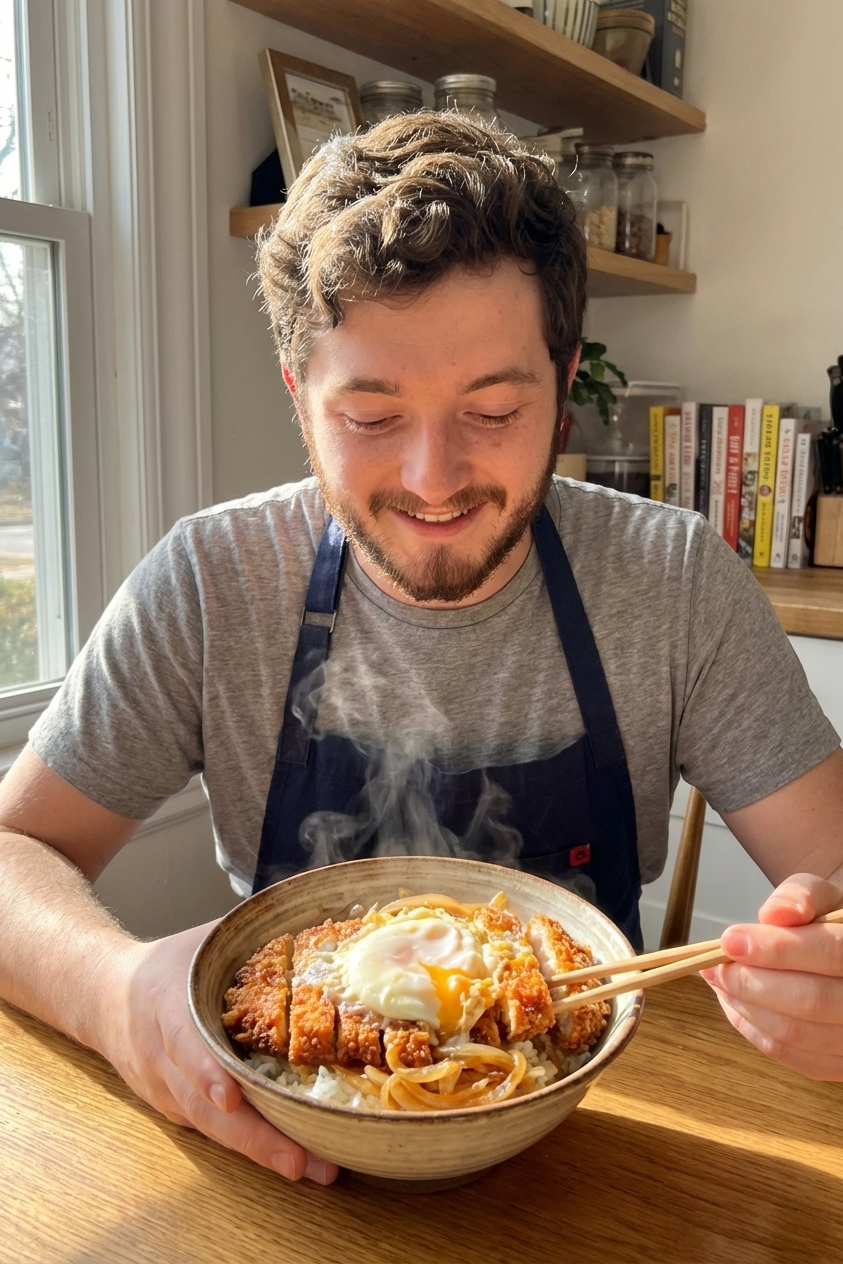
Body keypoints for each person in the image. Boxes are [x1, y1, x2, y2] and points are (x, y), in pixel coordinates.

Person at [0, 113, 841, 1188]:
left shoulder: (671, 580)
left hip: (595, 1159)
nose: (436, 478)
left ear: (566, 381)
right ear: (301, 401)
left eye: (491, 407)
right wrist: (116, 994)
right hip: (275, 1173)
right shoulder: (211, 581)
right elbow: (13, 854)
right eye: (372, 415)